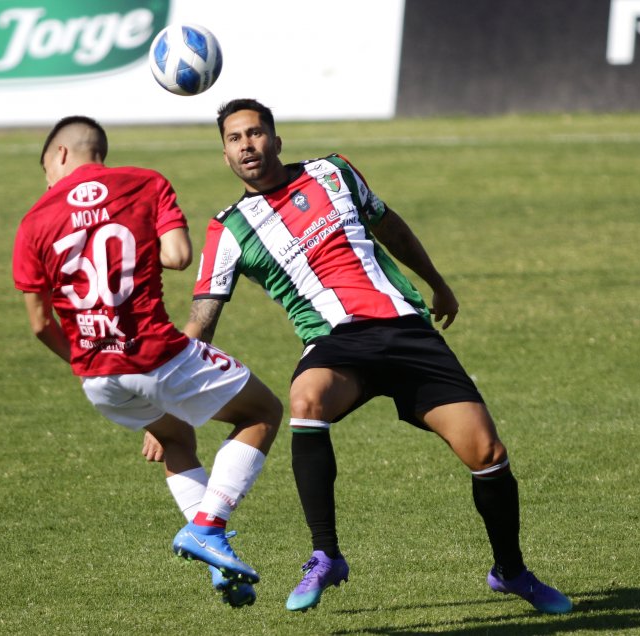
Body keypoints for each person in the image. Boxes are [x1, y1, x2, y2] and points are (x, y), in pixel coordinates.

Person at [145, 98, 573, 614]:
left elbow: (389, 225)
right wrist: (168, 398)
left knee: (488, 454)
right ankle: (326, 555)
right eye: (234, 139)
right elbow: (202, 321)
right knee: (306, 399)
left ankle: (511, 571)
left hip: (407, 330)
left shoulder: (333, 172)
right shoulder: (229, 228)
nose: (247, 145)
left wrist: (437, 284)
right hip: (336, 341)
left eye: (255, 133)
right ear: (225, 156)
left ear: (276, 140)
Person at [11, 115, 283, 608]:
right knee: (262, 412)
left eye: (45, 169)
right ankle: (208, 527)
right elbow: (178, 256)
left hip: (97, 378)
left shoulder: (35, 220)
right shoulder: (144, 182)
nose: (47, 180)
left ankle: (216, 562)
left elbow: (39, 323)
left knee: (175, 437)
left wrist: (84, 358)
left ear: (61, 155)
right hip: (156, 354)